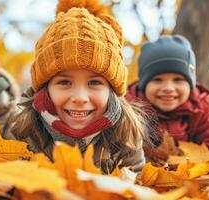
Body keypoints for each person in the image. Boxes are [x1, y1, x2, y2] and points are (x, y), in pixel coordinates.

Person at [11, 0, 151, 173]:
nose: (79, 97)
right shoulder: (24, 133)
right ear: (45, 89)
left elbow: (136, 188)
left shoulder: (126, 137)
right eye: (64, 82)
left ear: (111, 90)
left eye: (94, 83)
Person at [126, 34, 209, 156]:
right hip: (143, 171)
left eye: (178, 79)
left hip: (189, 171)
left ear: (191, 85)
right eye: (157, 80)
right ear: (143, 85)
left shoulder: (200, 110)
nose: (168, 88)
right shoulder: (130, 109)